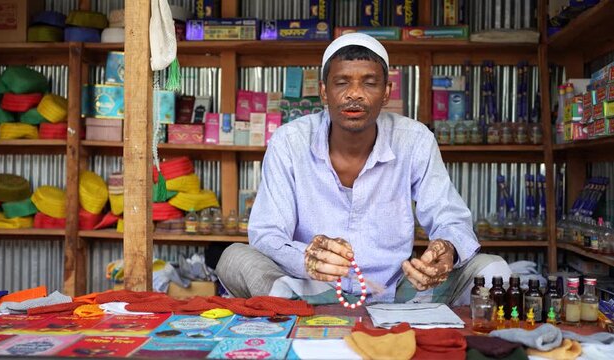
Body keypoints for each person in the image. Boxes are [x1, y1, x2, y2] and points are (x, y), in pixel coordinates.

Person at [216, 33, 510, 304]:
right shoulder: (289, 142)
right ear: (323, 91)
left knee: (492, 268)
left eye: (369, 83)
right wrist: (306, 259)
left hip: (397, 291)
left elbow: (451, 218)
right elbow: (267, 233)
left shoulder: (415, 140)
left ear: (386, 92)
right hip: (311, 287)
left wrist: (446, 251)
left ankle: (294, 307)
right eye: (342, 82)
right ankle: (296, 302)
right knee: (233, 258)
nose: (354, 94)